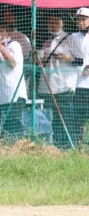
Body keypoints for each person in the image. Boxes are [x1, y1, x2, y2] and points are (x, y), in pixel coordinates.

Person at [37, 15, 78, 149]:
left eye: (56, 21)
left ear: (63, 22)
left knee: (65, 118)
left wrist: (67, 58)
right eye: (50, 21)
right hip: (46, 87)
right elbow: (42, 64)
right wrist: (39, 61)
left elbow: (81, 60)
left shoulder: (70, 39)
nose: (53, 24)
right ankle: (54, 147)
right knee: (51, 119)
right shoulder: (46, 42)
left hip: (64, 86)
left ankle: (69, 147)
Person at [68, 7, 89, 146]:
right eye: (78, 19)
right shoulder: (72, 37)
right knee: (78, 117)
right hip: (76, 84)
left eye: (84, 19)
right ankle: (79, 144)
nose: (80, 22)